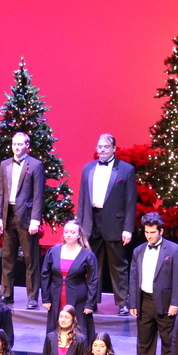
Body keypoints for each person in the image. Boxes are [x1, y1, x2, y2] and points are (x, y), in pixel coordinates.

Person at [76, 134, 137, 315]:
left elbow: (130, 201)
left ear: (114, 149)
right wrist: (80, 226)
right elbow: (82, 199)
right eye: (99, 146)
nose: (102, 149)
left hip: (115, 223)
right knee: (92, 264)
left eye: (106, 146)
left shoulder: (126, 170)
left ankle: (122, 303)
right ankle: (91, 300)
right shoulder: (88, 168)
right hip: (92, 220)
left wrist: (128, 228)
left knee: (118, 264)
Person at [128, 212, 178, 355]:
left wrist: (175, 302)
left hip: (166, 303)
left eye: (152, 232)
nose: (149, 235)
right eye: (146, 232)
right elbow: (133, 279)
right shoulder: (139, 251)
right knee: (144, 341)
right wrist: (133, 303)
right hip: (144, 301)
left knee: (169, 341)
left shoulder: (174, 250)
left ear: (161, 230)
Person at [0, 131, 45, 309]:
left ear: (27, 145)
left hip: (27, 216)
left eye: (20, 144)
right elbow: (0, 192)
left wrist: (35, 220)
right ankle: (7, 294)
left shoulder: (36, 165)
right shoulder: (5, 164)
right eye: (15, 144)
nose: (17, 147)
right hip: (9, 215)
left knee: (31, 258)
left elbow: (38, 194)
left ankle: (32, 297)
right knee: (7, 257)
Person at [41, 219, 99, 340]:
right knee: (56, 327)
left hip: (78, 298)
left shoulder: (87, 255)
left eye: (72, 232)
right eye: (66, 231)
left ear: (79, 235)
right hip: (56, 296)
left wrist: (90, 304)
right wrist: (46, 298)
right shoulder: (53, 251)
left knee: (79, 330)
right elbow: (45, 275)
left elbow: (93, 280)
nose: (68, 234)